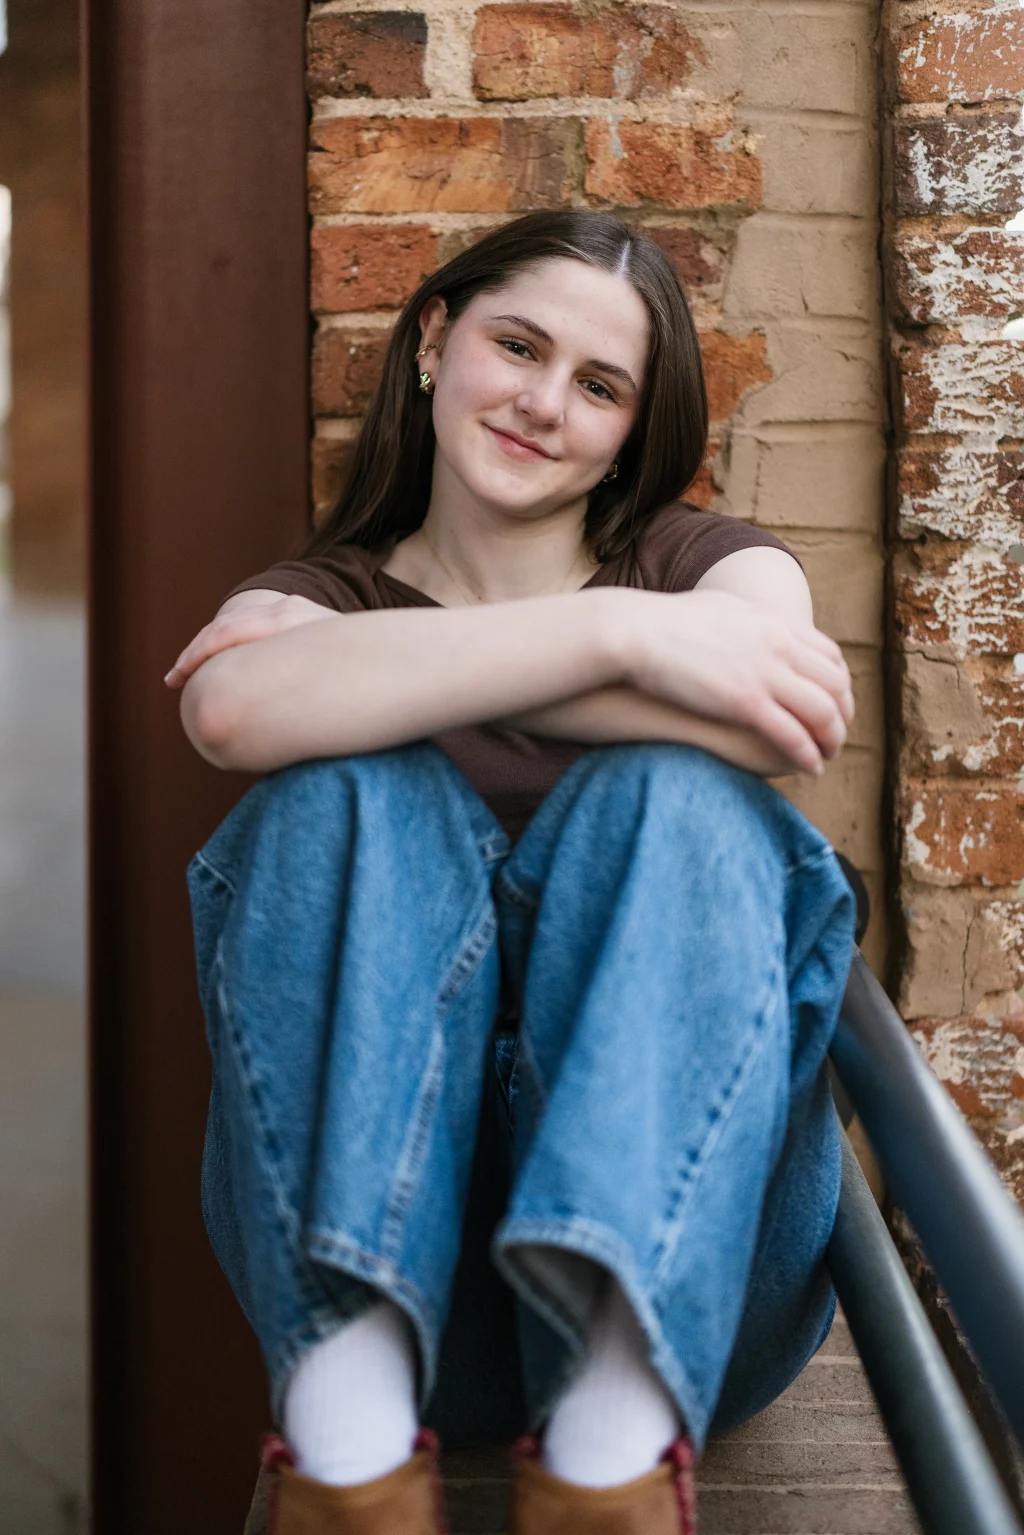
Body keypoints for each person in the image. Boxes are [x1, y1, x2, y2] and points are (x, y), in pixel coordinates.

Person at [167, 210, 857, 1535]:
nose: (545, 403)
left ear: (633, 427)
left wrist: (386, 682)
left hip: (691, 1286)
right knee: (341, 790)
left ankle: (610, 1473)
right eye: (518, 345)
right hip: (411, 1300)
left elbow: (777, 721)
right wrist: (620, 640)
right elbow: (232, 713)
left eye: (598, 385)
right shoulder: (329, 591)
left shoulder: (713, 563)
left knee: (675, 797)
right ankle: (348, 1465)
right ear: (436, 340)